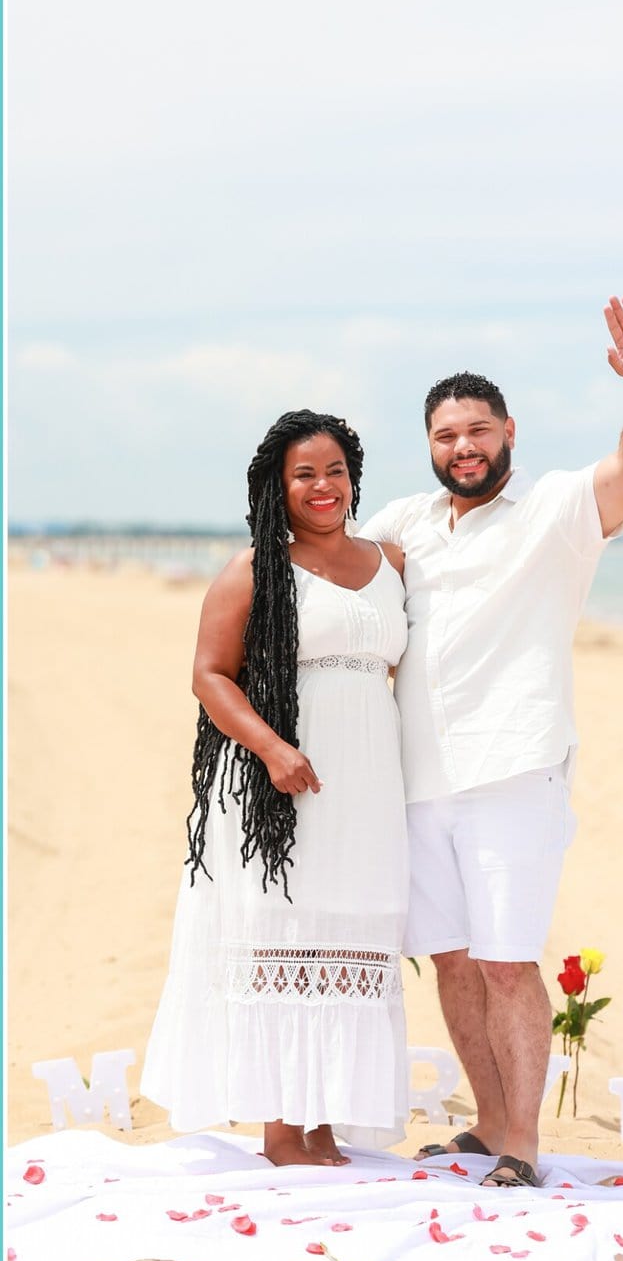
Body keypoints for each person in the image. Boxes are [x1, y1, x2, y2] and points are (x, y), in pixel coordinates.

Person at [360, 301, 623, 1186]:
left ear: (508, 433)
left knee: (504, 962)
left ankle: (524, 1146)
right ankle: (489, 1124)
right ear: (429, 443)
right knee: (451, 961)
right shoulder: (408, 523)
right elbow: (335, 570)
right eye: (447, 434)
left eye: (478, 431)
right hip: (420, 779)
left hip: (514, 770)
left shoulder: (556, 509)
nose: (463, 447)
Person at [141, 408, 409, 1166]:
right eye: (304, 475)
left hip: (368, 784)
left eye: (334, 471)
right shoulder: (257, 567)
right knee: (281, 932)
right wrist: (270, 748)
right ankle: (281, 1131)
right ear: (278, 486)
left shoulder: (392, 561)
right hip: (278, 784)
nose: (322, 487)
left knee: (349, 931)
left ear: (353, 477)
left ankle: (323, 1121)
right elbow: (209, 675)